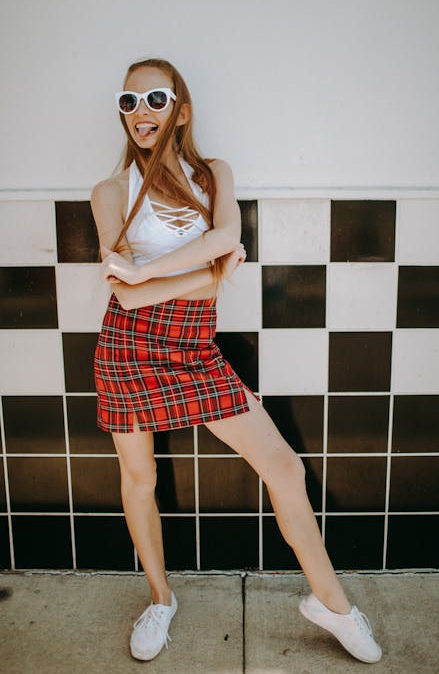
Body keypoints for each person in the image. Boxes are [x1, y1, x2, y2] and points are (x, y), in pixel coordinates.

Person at [90, 57, 382, 665]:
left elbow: (225, 240)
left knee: (283, 466)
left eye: (155, 99)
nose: (140, 113)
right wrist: (197, 273)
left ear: (182, 110)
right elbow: (130, 293)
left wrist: (151, 273)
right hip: (128, 349)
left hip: (196, 350)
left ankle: (333, 605)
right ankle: (161, 599)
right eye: (128, 101)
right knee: (139, 480)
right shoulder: (110, 192)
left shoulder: (213, 173)